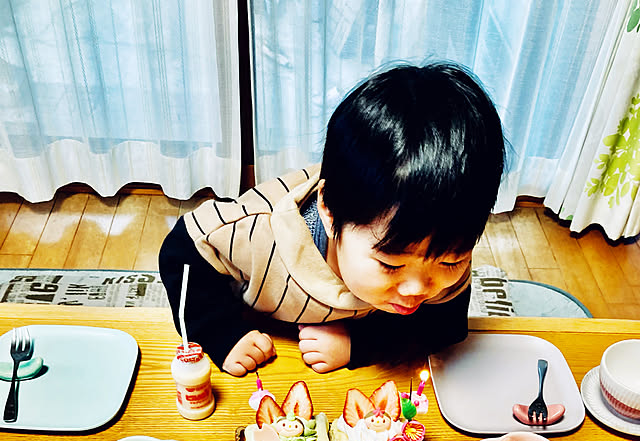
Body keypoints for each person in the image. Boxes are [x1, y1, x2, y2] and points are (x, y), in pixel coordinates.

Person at [159, 61, 505, 376]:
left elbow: (443, 327)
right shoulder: (256, 236)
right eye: (390, 264)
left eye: (450, 262)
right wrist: (221, 332)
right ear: (328, 210)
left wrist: (359, 344)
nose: (418, 290)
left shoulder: (439, 246)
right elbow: (183, 251)